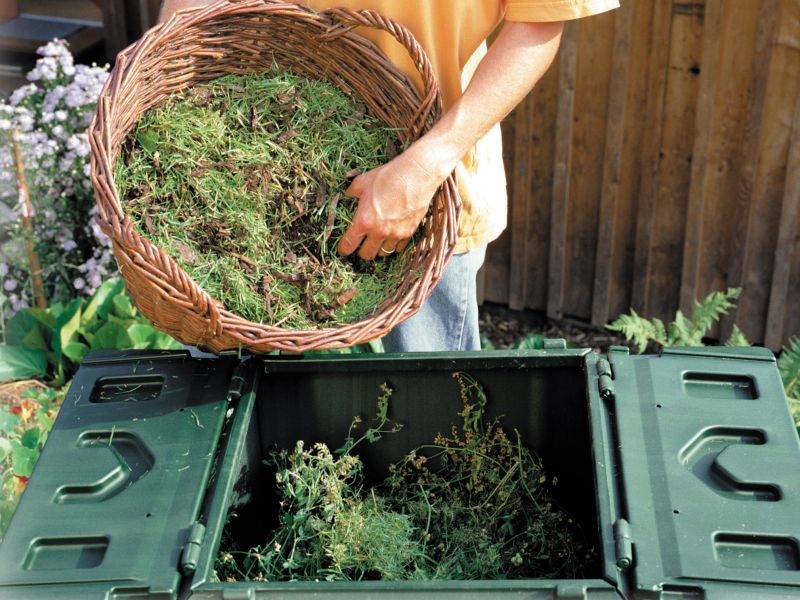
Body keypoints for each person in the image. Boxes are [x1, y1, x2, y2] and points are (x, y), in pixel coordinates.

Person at [158, 0, 619, 352]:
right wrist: (175, 71)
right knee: (223, 395)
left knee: (433, 405)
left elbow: (538, 21)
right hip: (263, 141)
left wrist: (427, 164)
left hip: (430, 184)